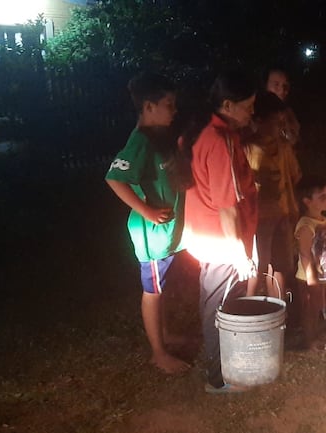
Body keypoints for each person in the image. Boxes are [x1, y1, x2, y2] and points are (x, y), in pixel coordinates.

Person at [105, 72, 191, 374]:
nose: (174, 110)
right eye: (169, 104)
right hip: (151, 234)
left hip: (166, 232)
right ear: (149, 106)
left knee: (161, 287)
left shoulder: (160, 137)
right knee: (152, 291)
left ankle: (165, 335)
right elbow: (114, 178)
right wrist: (146, 211)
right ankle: (159, 353)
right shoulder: (140, 140)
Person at [182, 70, 259, 394]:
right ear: (228, 105)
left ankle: (226, 365)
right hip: (221, 240)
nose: (252, 112)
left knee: (218, 302)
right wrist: (240, 256)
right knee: (220, 308)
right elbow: (227, 206)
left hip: (213, 237)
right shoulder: (219, 141)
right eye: (248, 106)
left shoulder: (215, 133)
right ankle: (219, 378)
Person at [245, 91, 302, 300]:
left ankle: (278, 308)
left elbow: (294, 176)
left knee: (281, 265)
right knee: (257, 266)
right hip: (259, 220)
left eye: (281, 123)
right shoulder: (248, 149)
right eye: (275, 123)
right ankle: (248, 308)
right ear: (258, 121)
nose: (280, 128)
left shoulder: (283, 147)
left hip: (283, 215)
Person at [294, 175, 326, 350]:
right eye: (322, 196)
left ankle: (316, 334)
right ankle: (309, 340)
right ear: (307, 201)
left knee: (318, 306)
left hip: (323, 274)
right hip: (308, 277)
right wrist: (311, 277)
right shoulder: (305, 225)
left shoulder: (325, 221)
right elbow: (304, 253)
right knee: (310, 309)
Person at [264, 68, 301, 150]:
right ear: (266, 85)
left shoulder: (288, 113)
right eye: (276, 84)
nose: (282, 90)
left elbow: (293, 140)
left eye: (285, 85)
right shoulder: (255, 114)